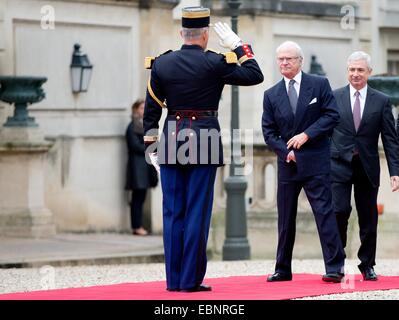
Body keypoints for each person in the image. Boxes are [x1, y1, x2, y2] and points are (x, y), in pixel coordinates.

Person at [143, 6, 263, 292]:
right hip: (205, 139)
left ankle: (173, 281)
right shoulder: (215, 62)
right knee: (197, 210)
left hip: (172, 137)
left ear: (182, 33)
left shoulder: (162, 63)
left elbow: (151, 111)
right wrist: (238, 45)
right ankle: (190, 280)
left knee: (173, 212)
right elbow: (254, 74)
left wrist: (151, 148)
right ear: (206, 35)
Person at [262, 41, 345, 283]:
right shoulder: (271, 95)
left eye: (289, 58)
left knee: (324, 214)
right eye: (281, 59)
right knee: (285, 218)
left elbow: (332, 115)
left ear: (300, 61)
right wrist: (284, 151)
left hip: (316, 162)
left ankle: (335, 267)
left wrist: (306, 134)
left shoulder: (319, 84)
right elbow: (268, 132)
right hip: (287, 164)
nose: (284, 63)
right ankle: (282, 269)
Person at [331, 51, 399, 281]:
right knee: (338, 212)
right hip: (338, 165)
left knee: (368, 218)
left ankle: (367, 264)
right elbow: (324, 132)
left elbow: (390, 139)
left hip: (367, 167)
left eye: (360, 70)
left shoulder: (381, 101)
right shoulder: (334, 97)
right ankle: (335, 264)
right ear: (347, 71)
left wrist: (395, 172)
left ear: (369, 72)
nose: (355, 74)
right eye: (352, 69)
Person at [125, 99, 158, 236]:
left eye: (145, 108)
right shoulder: (132, 126)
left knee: (141, 198)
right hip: (137, 167)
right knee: (137, 199)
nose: (143, 110)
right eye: (141, 108)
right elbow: (134, 146)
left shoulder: (146, 126)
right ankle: (136, 226)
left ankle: (138, 226)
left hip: (145, 167)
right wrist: (149, 147)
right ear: (135, 110)